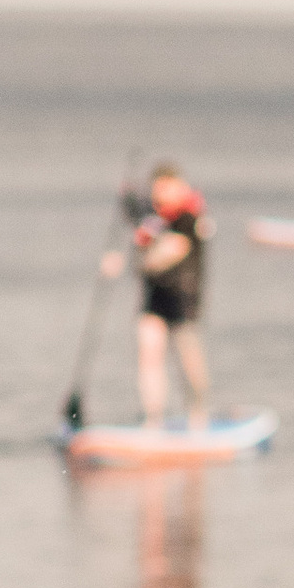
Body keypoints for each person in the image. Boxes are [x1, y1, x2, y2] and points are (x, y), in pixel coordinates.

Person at [100, 165, 212, 428]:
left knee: (188, 363)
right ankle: (153, 418)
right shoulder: (152, 216)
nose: (161, 195)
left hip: (183, 302)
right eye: (157, 189)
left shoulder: (190, 218)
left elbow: (168, 253)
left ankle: (198, 415)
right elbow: (134, 213)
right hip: (153, 300)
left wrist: (132, 259)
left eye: (167, 188)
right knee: (148, 353)